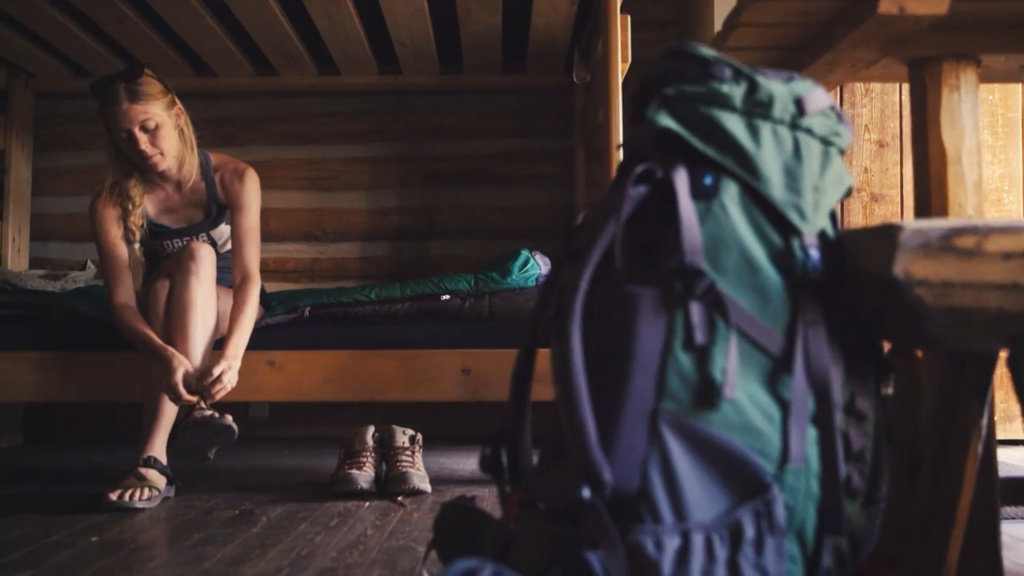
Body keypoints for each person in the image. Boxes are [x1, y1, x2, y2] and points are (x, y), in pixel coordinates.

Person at [87, 66, 265, 510]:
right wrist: (163, 354)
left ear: (178, 116)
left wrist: (234, 357)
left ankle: (153, 456)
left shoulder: (235, 178)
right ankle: (198, 412)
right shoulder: (111, 202)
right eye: (124, 136)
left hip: (228, 303)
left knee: (201, 256)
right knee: (177, 279)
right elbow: (123, 303)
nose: (141, 147)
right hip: (160, 299)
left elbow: (248, 279)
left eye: (149, 128)